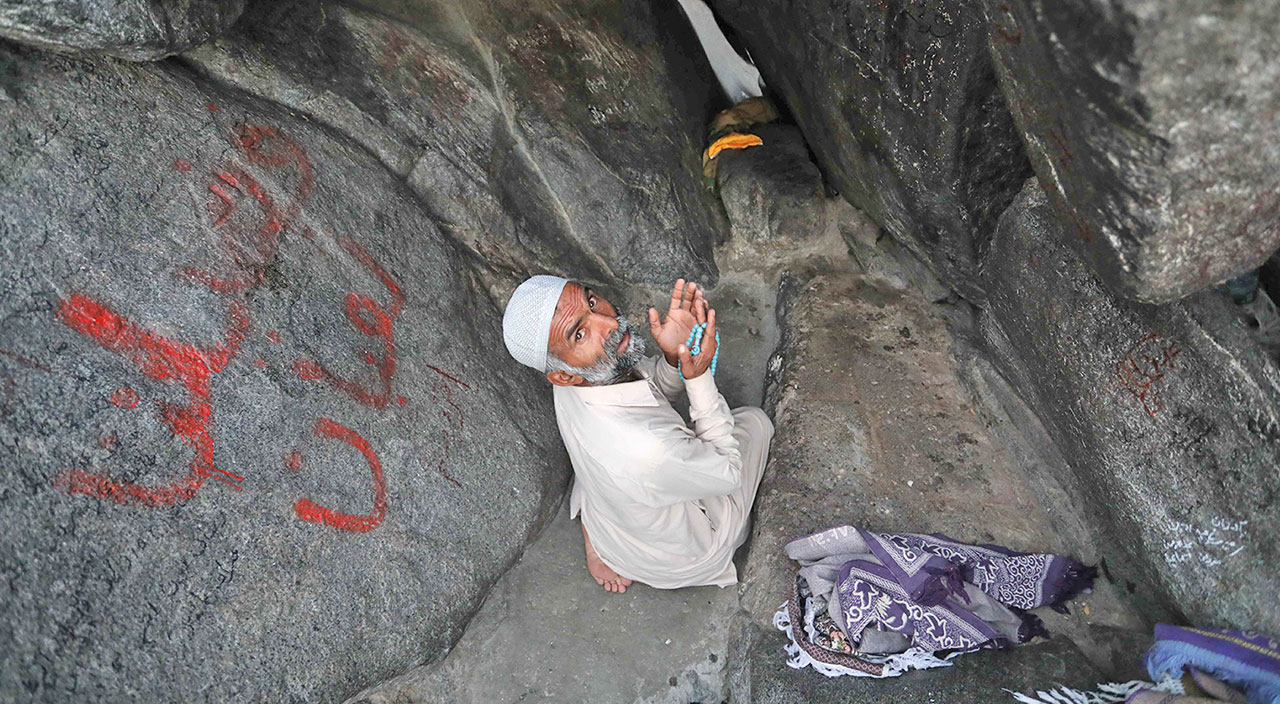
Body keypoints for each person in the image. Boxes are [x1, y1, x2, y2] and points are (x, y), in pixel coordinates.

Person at [502, 276, 774, 593]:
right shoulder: (648, 449)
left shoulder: (578, 377)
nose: (607, 322)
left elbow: (651, 389)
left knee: (628, 473)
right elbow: (728, 472)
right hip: (680, 556)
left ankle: (601, 540)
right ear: (562, 375)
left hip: (616, 525)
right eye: (579, 333)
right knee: (756, 422)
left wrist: (675, 358)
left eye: (591, 302)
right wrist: (697, 378)